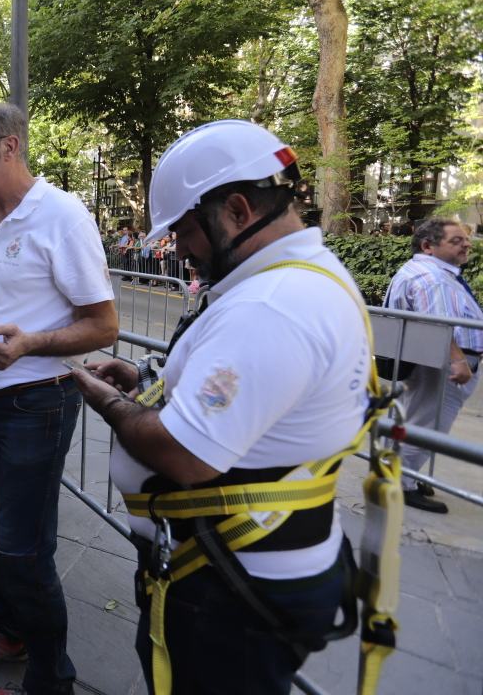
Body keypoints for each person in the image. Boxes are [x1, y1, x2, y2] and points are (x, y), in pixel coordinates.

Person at [75, 119, 367, 695]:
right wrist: (142, 379)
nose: (177, 247)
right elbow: (250, 400)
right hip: (237, 565)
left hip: (229, 588)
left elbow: (182, 454)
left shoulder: (272, 306)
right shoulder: (292, 283)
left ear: (236, 210)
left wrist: (109, 402)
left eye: (184, 230)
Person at [0, 102, 118, 695]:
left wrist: (32, 343)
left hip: (39, 405)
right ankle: (8, 631)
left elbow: (104, 324)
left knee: (23, 547)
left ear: (9, 146)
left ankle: (50, 678)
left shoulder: (61, 215)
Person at [384, 217, 483, 513]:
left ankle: (404, 475)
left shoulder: (430, 272)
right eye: (456, 240)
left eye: (465, 239)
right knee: (428, 425)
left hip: (434, 362)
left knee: (415, 421)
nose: (466, 244)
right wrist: (458, 361)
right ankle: (402, 483)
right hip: (443, 365)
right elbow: (437, 324)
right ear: (428, 246)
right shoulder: (431, 278)